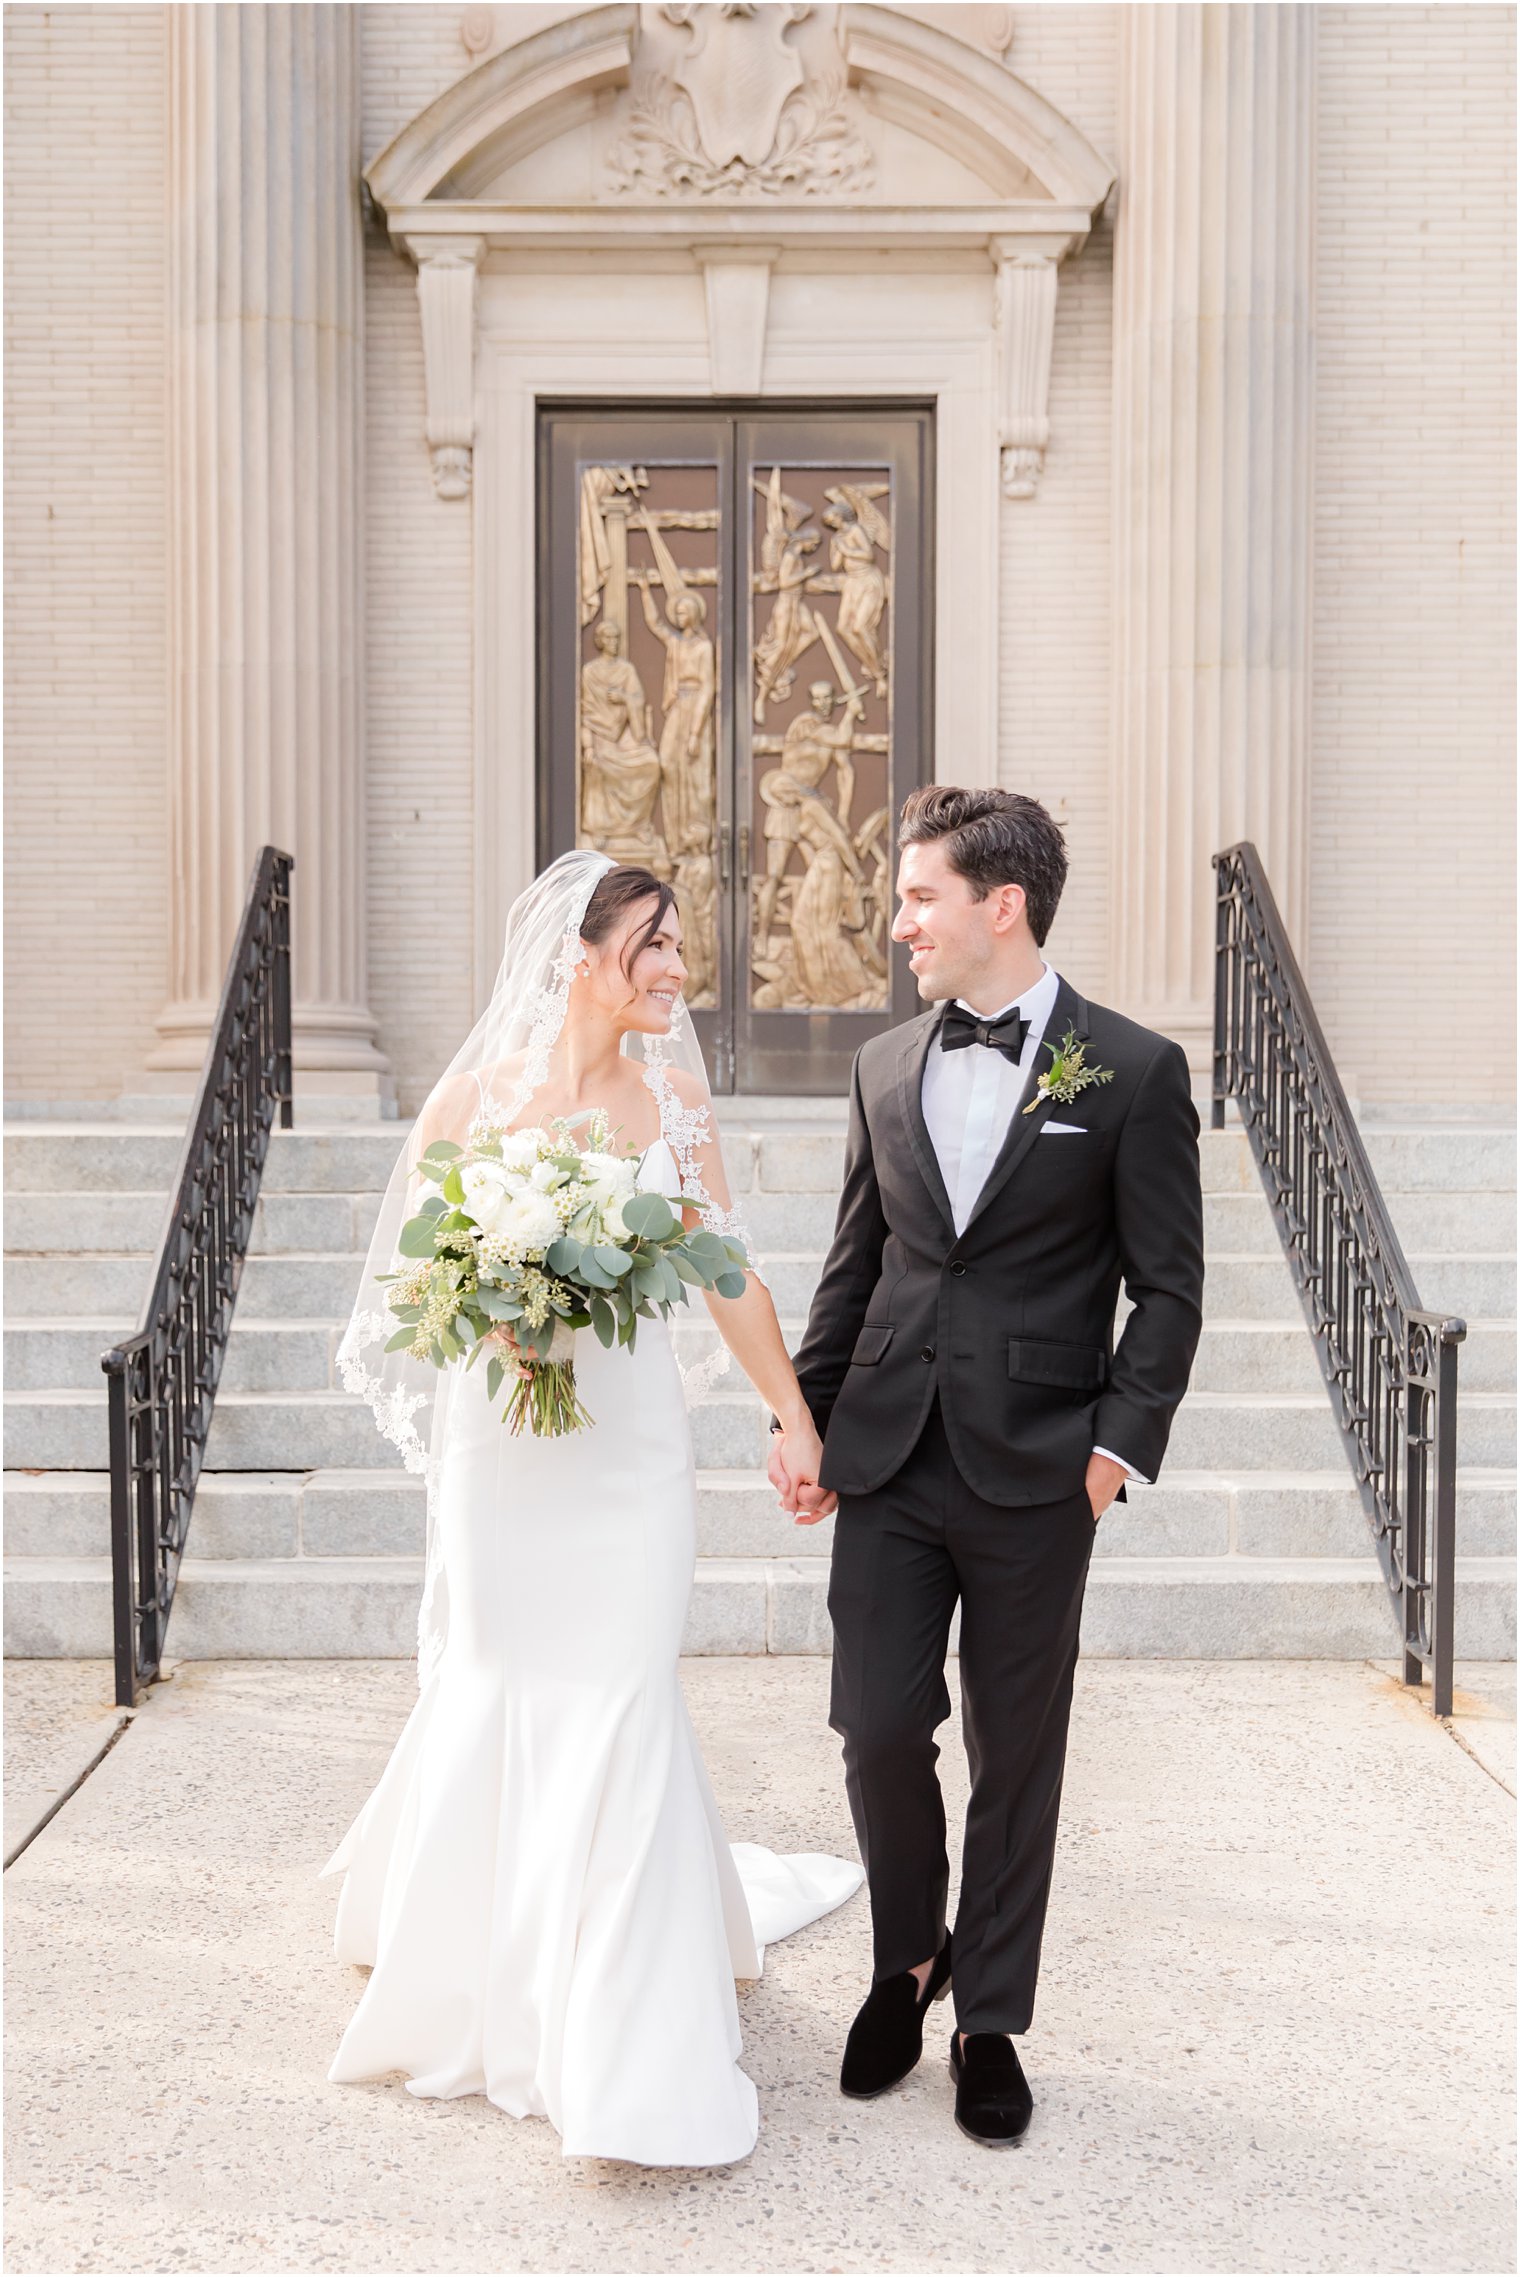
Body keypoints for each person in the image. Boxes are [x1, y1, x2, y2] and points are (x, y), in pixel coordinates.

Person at [324, 851, 861, 2168]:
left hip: (626, 1449)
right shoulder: (473, 1099)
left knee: (622, 1683)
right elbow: (413, 1272)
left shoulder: (675, 1102)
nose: (677, 969)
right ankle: (487, 1978)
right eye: (653, 948)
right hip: (502, 1448)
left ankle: (625, 2037)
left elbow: (722, 1267)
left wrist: (790, 1409)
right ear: (582, 955)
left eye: (679, 948)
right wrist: (498, 1315)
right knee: (504, 1674)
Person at [772, 786, 1204, 2147]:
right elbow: (860, 1262)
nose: (899, 921)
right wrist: (810, 1419)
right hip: (891, 1458)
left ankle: (988, 2017)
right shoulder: (885, 1063)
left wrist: (1112, 1449)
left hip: (1038, 1471)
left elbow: (1170, 1288)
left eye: (918, 897)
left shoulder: (1128, 1071)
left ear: (997, 905)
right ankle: (911, 1952)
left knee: (1019, 1753)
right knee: (879, 1723)